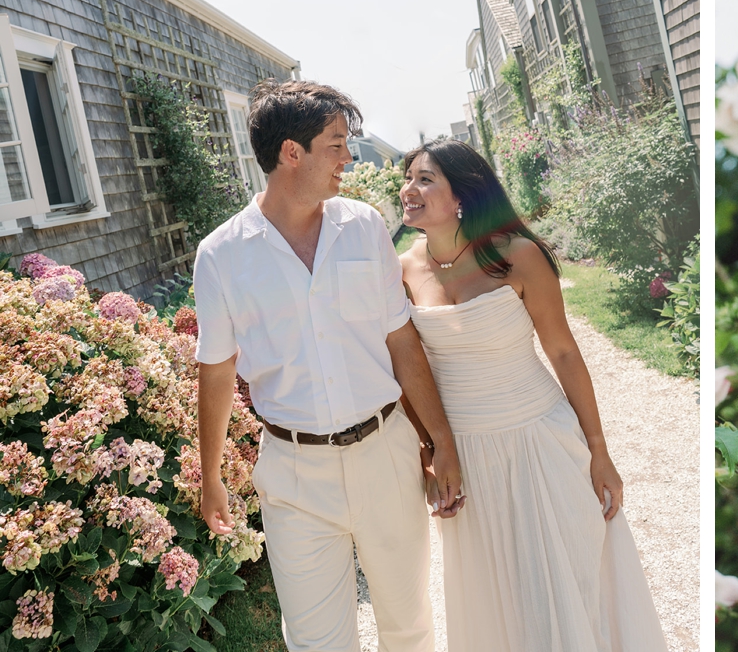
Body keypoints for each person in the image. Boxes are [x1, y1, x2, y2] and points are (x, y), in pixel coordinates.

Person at [194, 81, 462, 652]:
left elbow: (401, 340)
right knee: (316, 643)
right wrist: (211, 474)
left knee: (408, 626)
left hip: (385, 455)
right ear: (293, 153)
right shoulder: (221, 255)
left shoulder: (364, 225)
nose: (349, 158)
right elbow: (215, 371)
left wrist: (440, 440)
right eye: (336, 145)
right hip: (293, 475)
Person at [397, 137, 666, 652]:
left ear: (463, 196)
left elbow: (564, 353)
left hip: (540, 440)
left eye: (425, 178)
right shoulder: (403, 271)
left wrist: (599, 451)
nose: (409, 189)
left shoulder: (518, 256)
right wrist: (430, 452)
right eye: (407, 178)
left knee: (566, 587)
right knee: (497, 601)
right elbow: (408, 369)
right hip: (467, 458)